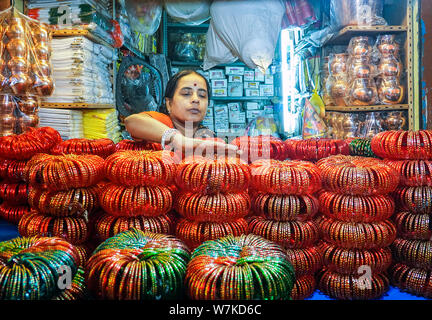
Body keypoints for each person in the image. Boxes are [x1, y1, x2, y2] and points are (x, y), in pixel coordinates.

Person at [125, 70, 240, 157]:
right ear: (169, 103)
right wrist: (178, 139)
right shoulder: (163, 122)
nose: (196, 100)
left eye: (202, 95)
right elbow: (131, 121)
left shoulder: (207, 137)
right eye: (186, 93)